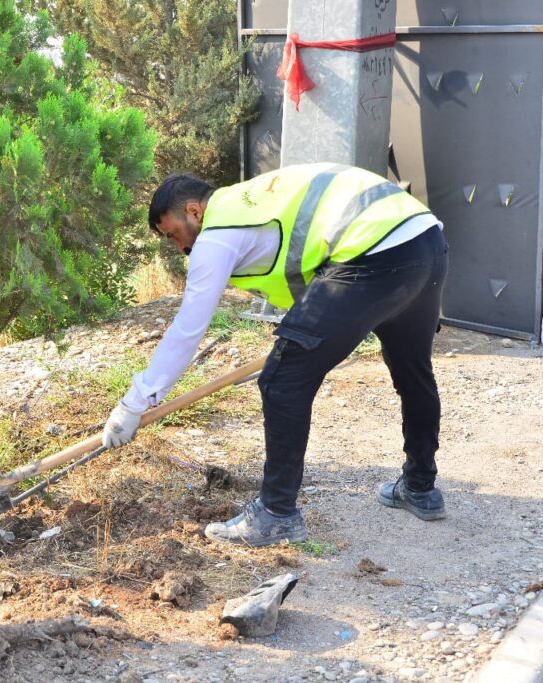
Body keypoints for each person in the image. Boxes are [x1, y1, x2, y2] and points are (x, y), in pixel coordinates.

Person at [102, 163, 449, 547]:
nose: (180, 247)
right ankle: (420, 487)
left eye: (174, 234)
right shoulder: (253, 201)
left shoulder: (217, 233)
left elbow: (188, 329)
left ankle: (276, 514)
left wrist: (134, 403)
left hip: (371, 252)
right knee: (413, 370)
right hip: (425, 240)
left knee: (282, 380)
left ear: (194, 212)